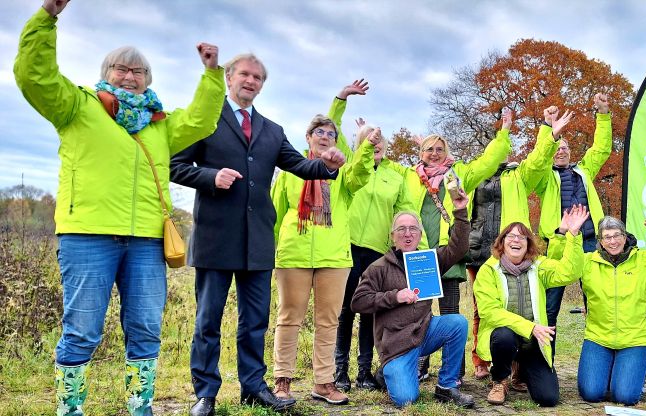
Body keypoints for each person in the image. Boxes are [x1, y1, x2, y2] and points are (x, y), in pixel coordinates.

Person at [13, 1, 224, 415]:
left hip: (146, 240)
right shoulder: (77, 106)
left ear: (148, 79)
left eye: (138, 71)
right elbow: (34, 76)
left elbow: (201, 120)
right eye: (121, 70)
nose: (129, 77)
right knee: (82, 331)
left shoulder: (160, 123)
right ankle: (70, 409)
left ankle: (139, 406)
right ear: (105, 73)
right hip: (87, 236)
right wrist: (47, 17)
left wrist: (212, 75)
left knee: (145, 330)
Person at [170, 54, 346, 416]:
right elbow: (175, 165)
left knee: (255, 321)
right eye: (245, 74)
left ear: (262, 85)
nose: (251, 81)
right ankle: (206, 393)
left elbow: (299, 165)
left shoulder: (271, 130)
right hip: (216, 239)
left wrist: (327, 165)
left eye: (258, 77)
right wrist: (209, 177)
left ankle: (253, 387)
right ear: (229, 78)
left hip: (259, 242)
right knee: (208, 321)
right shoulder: (205, 120)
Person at [269, 81, 375, 406]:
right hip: (293, 256)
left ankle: (324, 383)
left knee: (329, 321)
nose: (325, 137)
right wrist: (269, 254)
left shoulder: (343, 176)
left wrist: (367, 146)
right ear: (308, 139)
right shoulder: (290, 171)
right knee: (289, 318)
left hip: (334, 258)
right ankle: (282, 381)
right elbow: (275, 214)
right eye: (319, 133)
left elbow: (361, 174)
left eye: (330, 133)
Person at [465, 107, 573, 381]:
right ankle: (481, 359)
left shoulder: (518, 175)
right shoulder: (474, 174)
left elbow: (538, 161)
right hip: (479, 249)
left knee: (517, 305)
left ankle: (517, 367)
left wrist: (548, 132)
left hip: (512, 250)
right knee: (482, 308)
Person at [403, 110, 512, 380]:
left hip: (448, 253)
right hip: (421, 255)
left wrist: (504, 134)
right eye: (429, 149)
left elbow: (487, 162)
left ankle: (454, 371)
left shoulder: (458, 174)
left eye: (440, 149)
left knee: (451, 315)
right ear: (421, 152)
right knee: (420, 314)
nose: (435, 153)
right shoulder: (409, 177)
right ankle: (420, 367)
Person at [350, 191, 475, 408]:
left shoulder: (429, 260)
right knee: (407, 399)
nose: (407, 234)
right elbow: (358, 302)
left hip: (425, 333)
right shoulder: (378, 267)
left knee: (457, 323)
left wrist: (461, 211)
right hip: (397, 346)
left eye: (413, 229)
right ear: (393, 235)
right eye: (401, 229)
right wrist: (394, 296)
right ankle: (387, 372)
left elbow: (459, 248)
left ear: (419, 234)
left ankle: (446, 386)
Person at [557, 215, 646, 405]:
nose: (613, 241)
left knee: (625, 397)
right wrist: (568, 234)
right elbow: (560, 265)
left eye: (617, 235)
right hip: (598, 338)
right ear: (600, 241)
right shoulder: (587, 262)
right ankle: (612, 369)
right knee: (591, 393)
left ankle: (624, 372)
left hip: (635, 340)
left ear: (625, 236)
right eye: (607, 237)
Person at [473, 206, 589, 407]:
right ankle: (500, 379)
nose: (516, 240)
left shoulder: (539, 266)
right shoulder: (488, 270)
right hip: (505, 340)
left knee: (548, 398)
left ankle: (521, 370)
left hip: (532, 342)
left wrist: (573, 235)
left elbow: (570, 271)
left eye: (522, 237)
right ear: (502, 243)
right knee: (503, 335)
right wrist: (530, 327)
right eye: (510, 236)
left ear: (529, 245)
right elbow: (489, 311)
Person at [333, 119, 416, 392]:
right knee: (345, 311)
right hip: (348, 247)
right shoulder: (351, 169)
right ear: (360, 143)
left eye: (379, 139)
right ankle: (339, 372)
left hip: (378, 253)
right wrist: (341, 101)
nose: (376, 142)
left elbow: (406, 213)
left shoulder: (397, 176)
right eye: (370, 138)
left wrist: (419, 249)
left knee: (371, 311)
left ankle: (364, 372)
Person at [535, 92, 613, 355]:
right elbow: (538, 158)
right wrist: (549, 130)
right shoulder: (544, 177)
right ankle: (546, 362)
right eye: (557, 148)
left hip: (590, 243)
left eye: (565, 147)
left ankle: (602, 356)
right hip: (559, 244)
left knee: (598, 303)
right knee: (549, 309)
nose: (561, 151)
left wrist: (602, 114)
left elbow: (601, 148)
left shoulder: (584, 171)